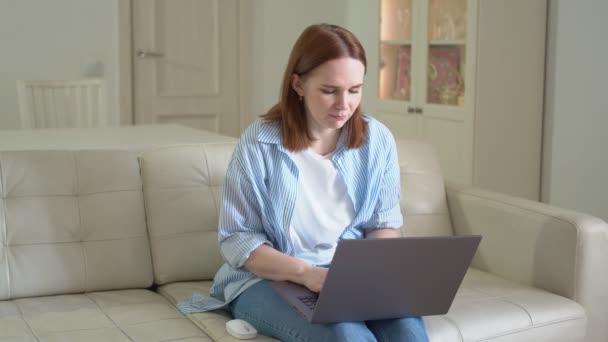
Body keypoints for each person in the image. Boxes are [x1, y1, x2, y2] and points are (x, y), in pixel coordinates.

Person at [177, 23, 429, 342]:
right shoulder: (259, 143)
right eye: (329, 90)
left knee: (409, 334)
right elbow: (238, 238)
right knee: (346, 337)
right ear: (298, 84)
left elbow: (382, 223)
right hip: (266, 280)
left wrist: (375, 275)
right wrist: (308, 275)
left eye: (355, 90)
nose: (344, 105)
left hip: (346, 279)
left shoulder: (376, 140)